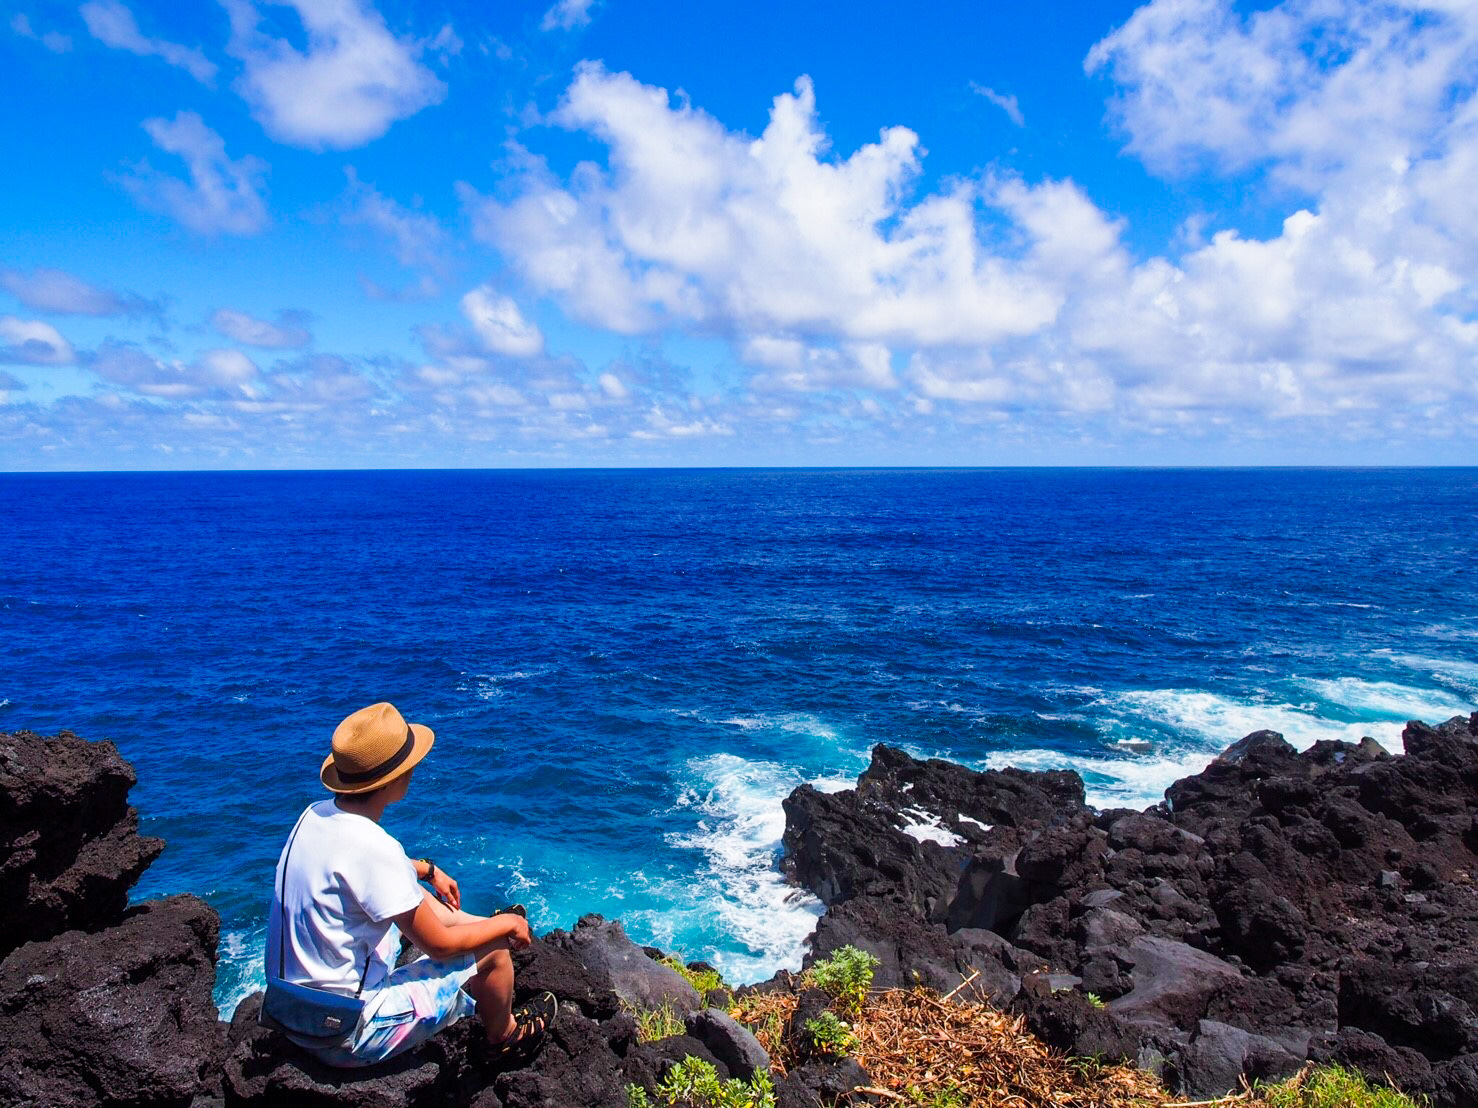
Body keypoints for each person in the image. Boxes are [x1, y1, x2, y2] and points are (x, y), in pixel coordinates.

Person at [265, 701, 556, 1067]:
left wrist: (428, 870)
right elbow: (439, 946)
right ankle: (505, 1038)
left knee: (413, 895)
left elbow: (370, 869)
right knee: (496, 950)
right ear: (395, 780)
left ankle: (481, 926)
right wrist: (507, 926)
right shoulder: (376, 848)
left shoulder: (314, 816)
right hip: (345, 1033)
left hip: (292, 1011)